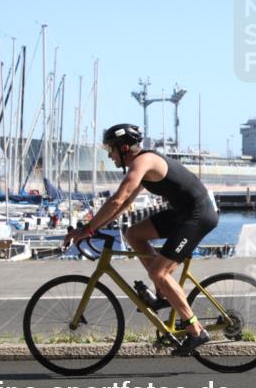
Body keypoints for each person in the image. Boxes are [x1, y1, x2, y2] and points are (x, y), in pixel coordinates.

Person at [64, 123, 219, 355]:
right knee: (133, 234)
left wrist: (87, 229)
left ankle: (196, 330)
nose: (110, 155)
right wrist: (94, 229)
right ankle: (162, 294)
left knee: (159, 272)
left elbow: (118, 199)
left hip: (198, 215)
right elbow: (125, 203)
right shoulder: (139, 166)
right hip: (182, 213)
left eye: (111, 150)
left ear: (124, 147)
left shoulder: (143, 162)